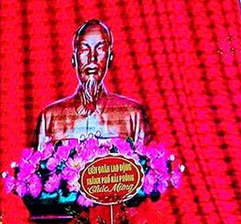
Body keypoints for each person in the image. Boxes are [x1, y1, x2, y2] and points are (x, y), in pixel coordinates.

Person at [32, 19, 153, 149]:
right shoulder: (50, 118)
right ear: (74, 58)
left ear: (110, 57)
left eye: (100, 48)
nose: (92, 57)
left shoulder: (133, 115)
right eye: (84, 49)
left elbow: (148, 159)